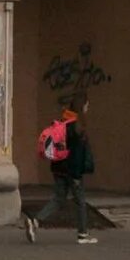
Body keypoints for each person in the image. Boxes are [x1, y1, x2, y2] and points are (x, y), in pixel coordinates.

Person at [24, 102, 94, 244]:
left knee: (58, 199)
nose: (88, 108)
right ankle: (83, 234)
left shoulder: (62, 122)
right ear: (80, 109)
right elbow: (76, 154)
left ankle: (35, 221)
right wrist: (76, 175)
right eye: (86, 105)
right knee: (80, 202)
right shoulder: (77, 127)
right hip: (72, 171)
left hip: (58, 168)